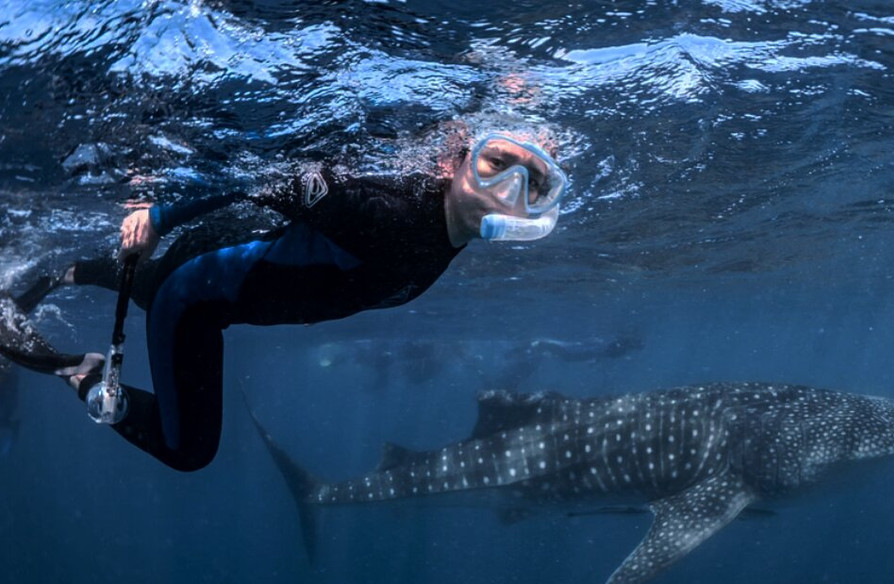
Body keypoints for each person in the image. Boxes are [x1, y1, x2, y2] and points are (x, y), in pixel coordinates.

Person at [0, 126, 567, 471]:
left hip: (215, 270)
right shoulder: (386, 213)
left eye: (532, 184)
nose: (508, 193)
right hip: (197, 296)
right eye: (497, 164)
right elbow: (261, 175)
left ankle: (63, 272)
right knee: (188, 451)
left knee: (145, 287)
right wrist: (156, 214)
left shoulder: (447, 231)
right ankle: (80, 371)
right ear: (454, 162)